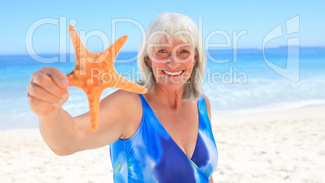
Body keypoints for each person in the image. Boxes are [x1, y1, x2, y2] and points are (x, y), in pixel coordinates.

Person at [27, 12, 218, 183]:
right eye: (162, 51)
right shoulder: (129, 105)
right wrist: (49, 108)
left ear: (195, 58)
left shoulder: (202, 103)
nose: (173, 62)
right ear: (148, 60)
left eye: (183, 51)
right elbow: (67, 141)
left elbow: (205, 174)